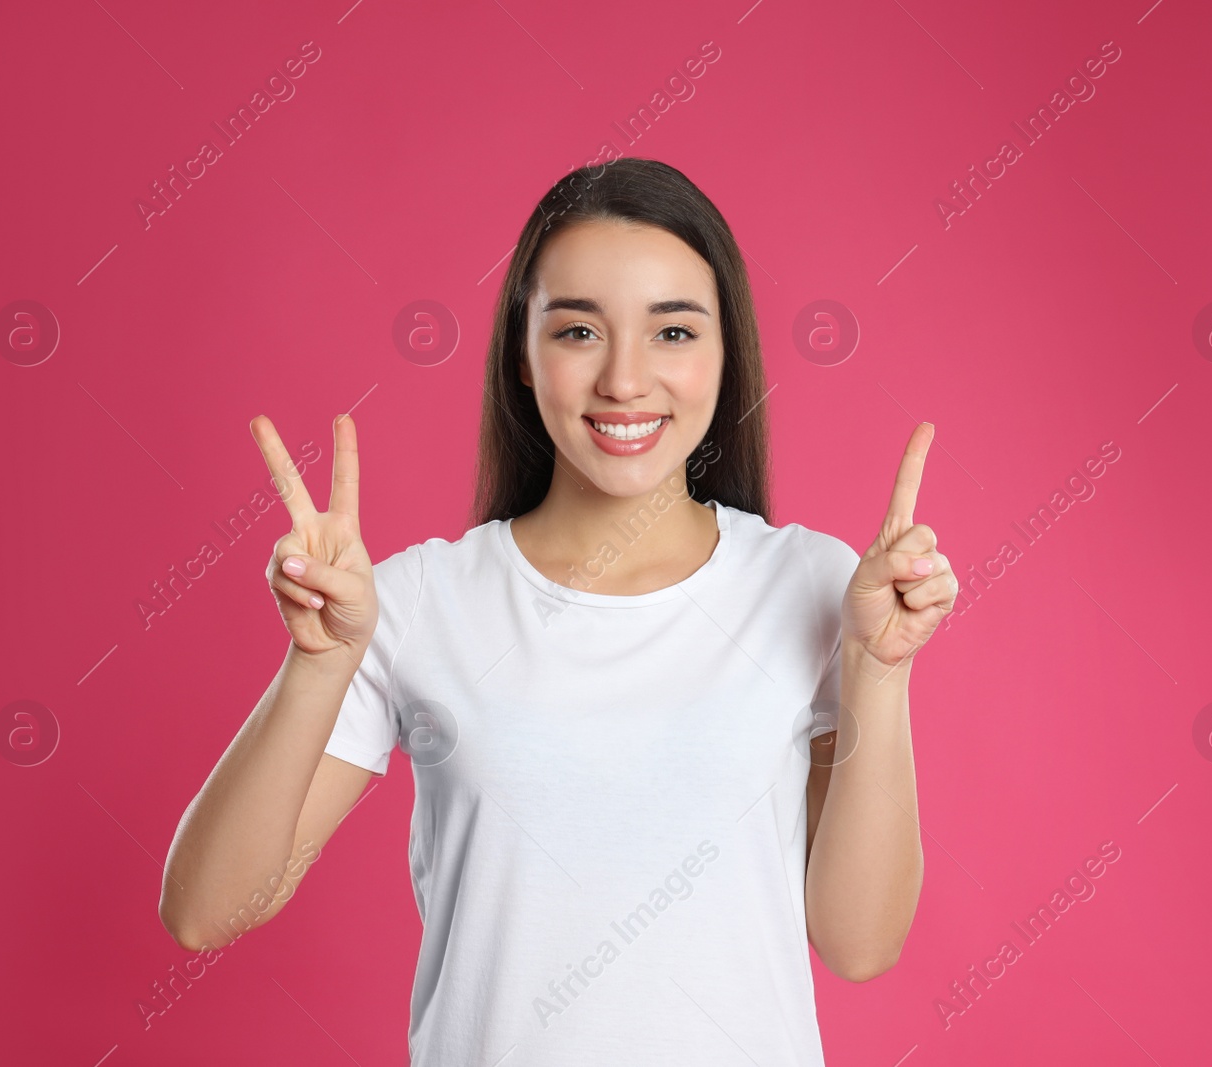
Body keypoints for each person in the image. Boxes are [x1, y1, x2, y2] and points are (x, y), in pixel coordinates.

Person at [159, 157, 957, 1064]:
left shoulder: (809, 583)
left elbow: (860, 944)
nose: (625, 380)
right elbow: (202, 911)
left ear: (725, 354)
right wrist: (315, 665)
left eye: (673, 332)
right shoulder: (416, 601)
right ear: (522, 356)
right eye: (578, 329)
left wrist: (880, 670)